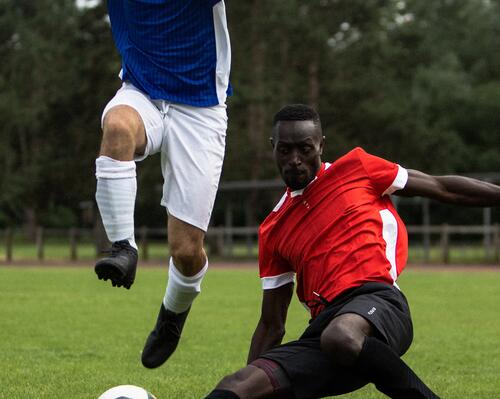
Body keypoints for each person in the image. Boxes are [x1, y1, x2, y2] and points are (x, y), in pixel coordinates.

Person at [204, 104, 500, 399]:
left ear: (321, 145)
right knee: (235, 386)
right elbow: (272, 324)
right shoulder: (273, 229)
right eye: (285, 150)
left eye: (305, 149)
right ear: (273, 148)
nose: (294, 160)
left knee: (341, 336)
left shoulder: (358, 167)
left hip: (380, 304)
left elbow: (441, 187)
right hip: (322, 331)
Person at [93, 0, 231, 369]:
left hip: (201, 108)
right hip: (141, 92)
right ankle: (122, 247)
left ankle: (172, 315)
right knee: (118, 128)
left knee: (185, 251)